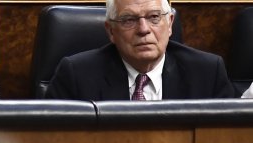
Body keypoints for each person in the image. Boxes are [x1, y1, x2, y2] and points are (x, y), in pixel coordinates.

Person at [45, 0, 235, 100]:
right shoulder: (76, 75)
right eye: (129, 20)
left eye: (154, 17)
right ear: (111, 31)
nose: (143, 29)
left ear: (169, 24)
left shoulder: (207, 73)